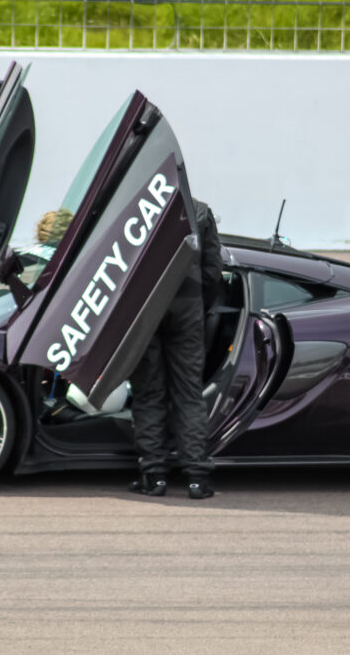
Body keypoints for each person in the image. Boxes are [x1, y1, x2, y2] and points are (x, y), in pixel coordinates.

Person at [128, 198, 224, 499]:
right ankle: (197, 479)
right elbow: (212, 272)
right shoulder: (201, 210)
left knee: (149, 391)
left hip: (145, 306)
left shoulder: (136, 206)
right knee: (189, 392)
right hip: (188, 306)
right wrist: (199, 305)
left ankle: (153, 477)